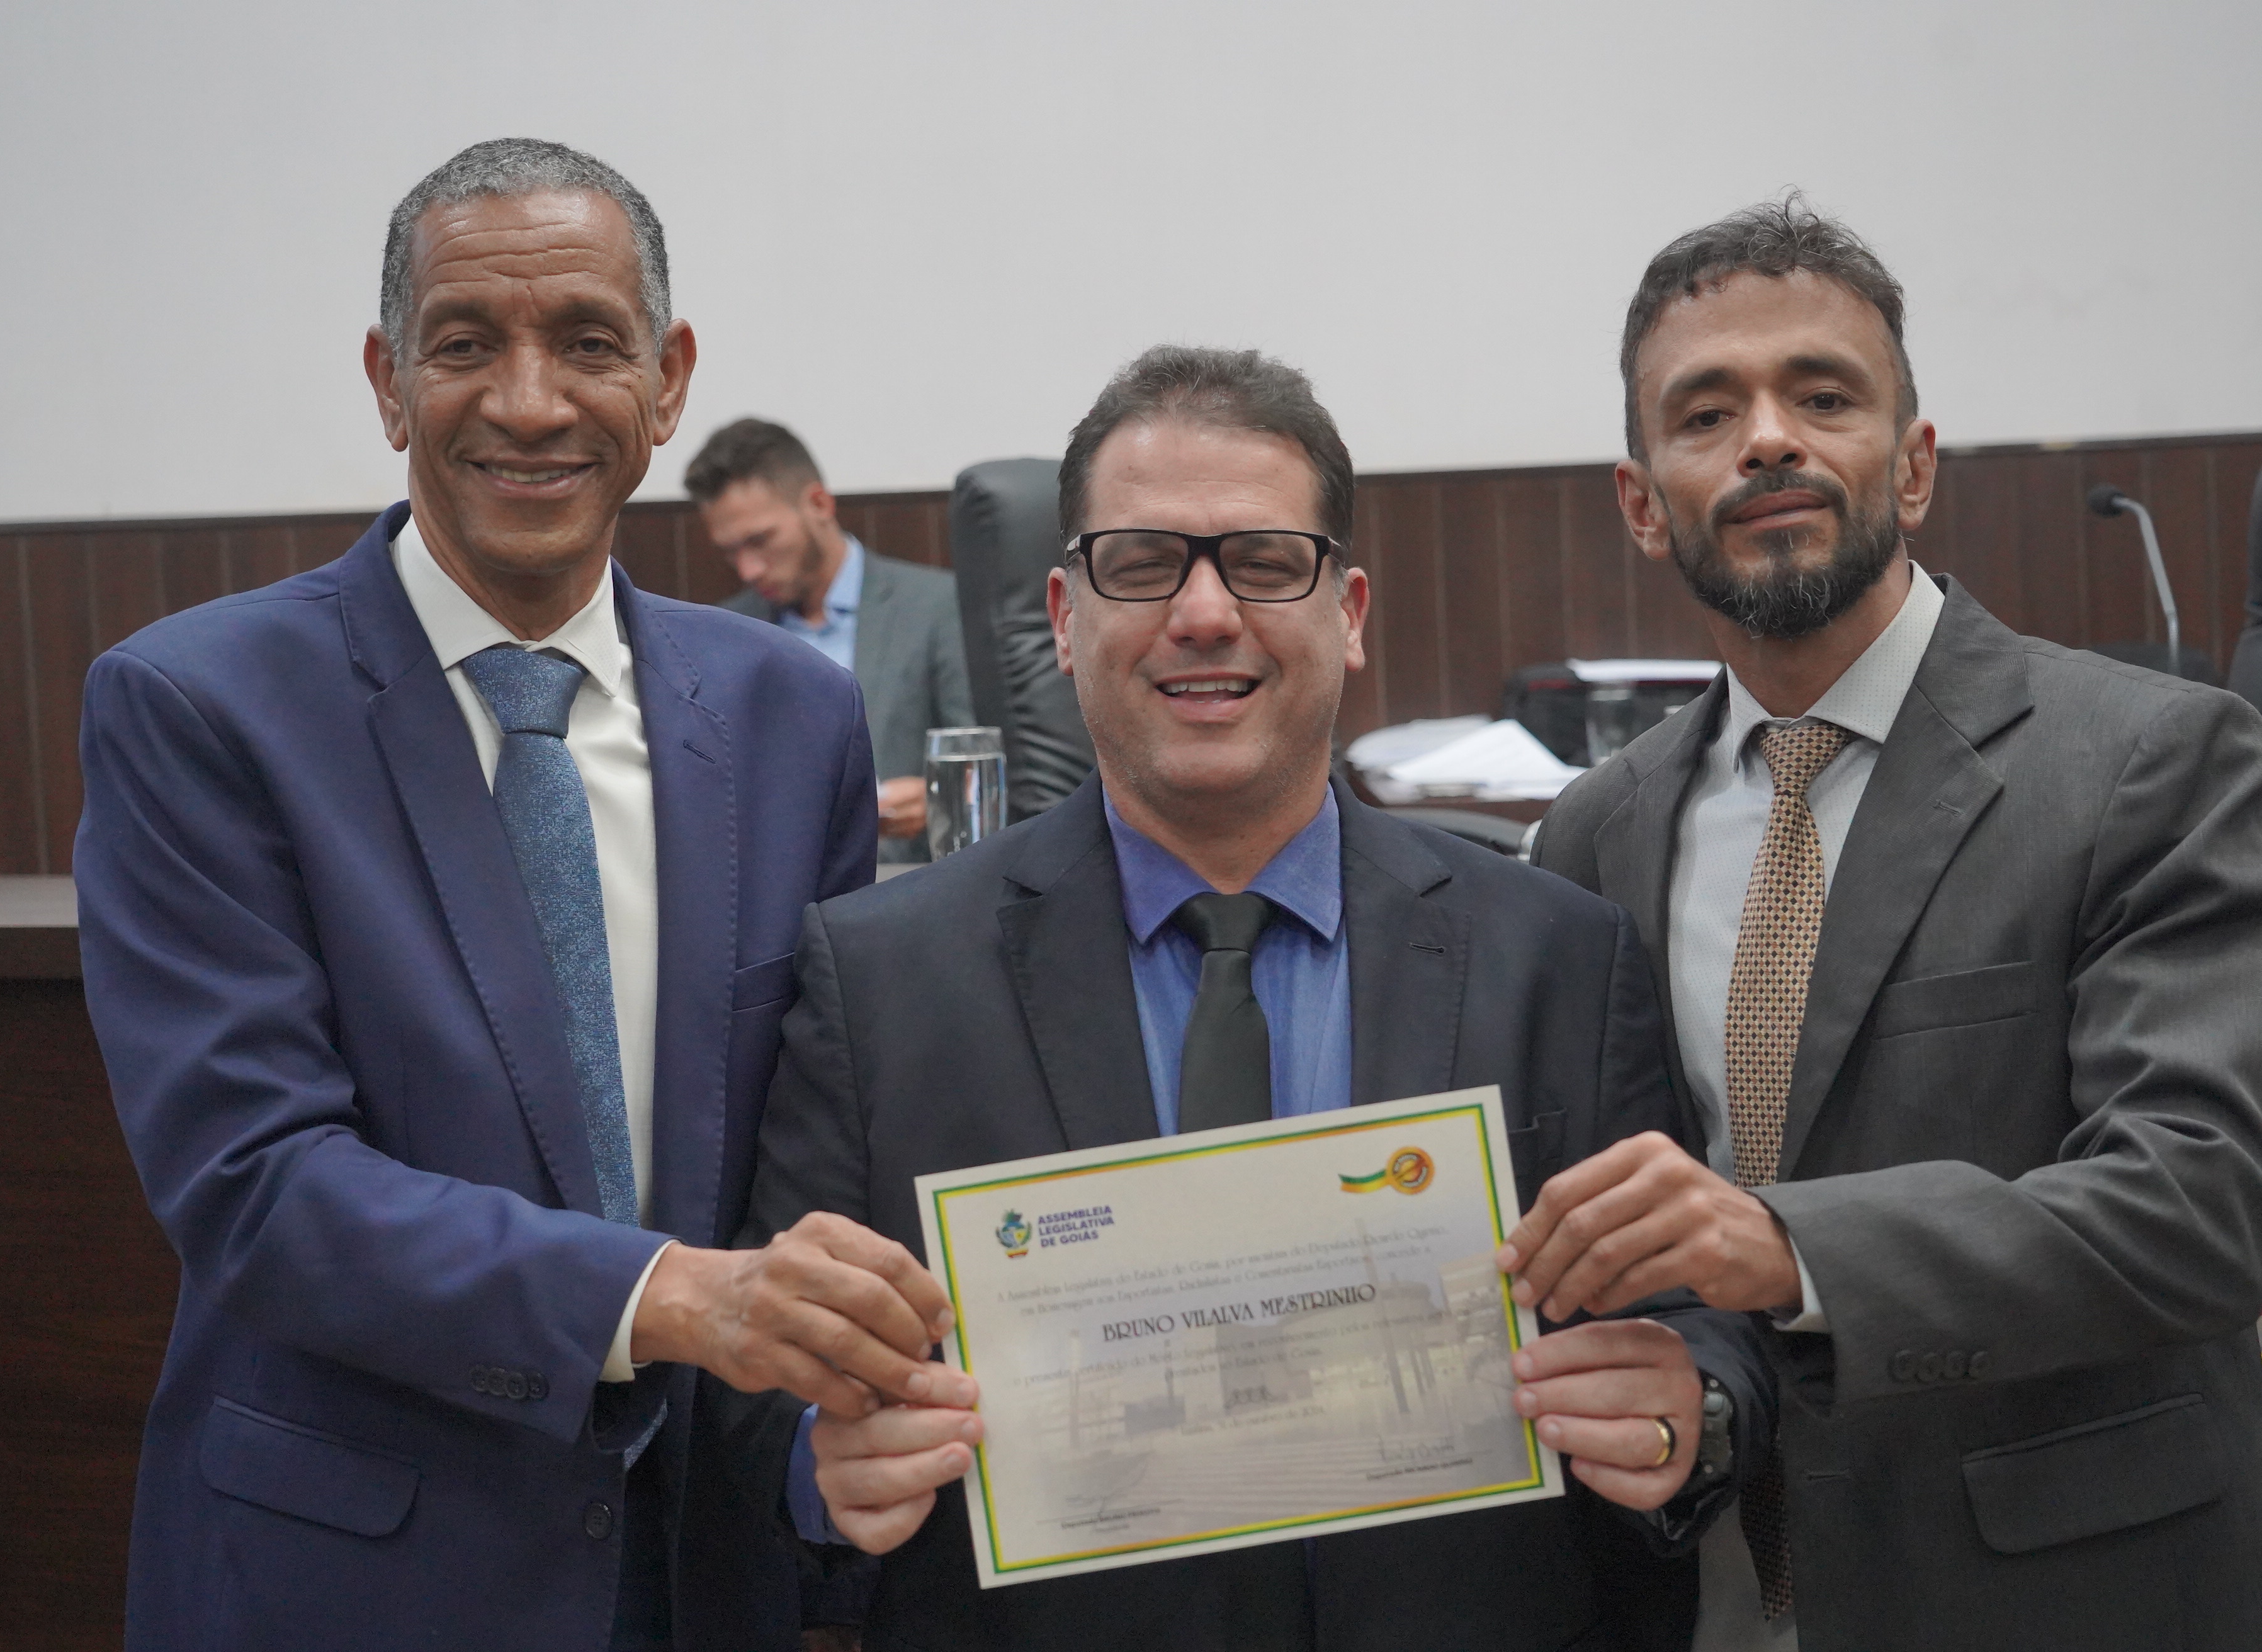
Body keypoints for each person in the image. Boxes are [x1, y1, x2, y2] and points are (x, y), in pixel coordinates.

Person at [723, 345, 1775, 1651]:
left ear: (1350, 611)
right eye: (1142, 563)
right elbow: (759, 1387)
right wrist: (816, 1466)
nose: (1205, 612)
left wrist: (1689, 1411)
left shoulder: (1559, 953)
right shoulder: (878, 975)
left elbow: (1697, 1326)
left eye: (1267, 562)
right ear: (1063, 616)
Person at [74, 139, 972, 1652]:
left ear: (668, 382)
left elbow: (807, 1156)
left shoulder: (789, 714)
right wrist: (671, 1295)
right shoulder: (199, 706)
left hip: (701, 1571)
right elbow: (260, 1184)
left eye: (590, 342)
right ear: (388, 381)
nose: (531, 400)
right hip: (357, 1584)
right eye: (465, 343)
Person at [1501, 196, 2262, 1651]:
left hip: (2078, 1602)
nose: (1769, 439)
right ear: (1641, 502)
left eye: (1823, 396)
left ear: (1915, 462)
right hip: (1729, 1595)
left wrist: (1785, 1242)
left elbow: (2197, 1207)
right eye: (1707, 413)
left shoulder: (2150, 761)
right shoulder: (1592, 832)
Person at [687, 418, 973, 862]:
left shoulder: (935, 607)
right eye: (730, 552)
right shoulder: (724, 630)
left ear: (819, 504)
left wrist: (939, 797)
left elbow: (981, 759)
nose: (749, 570)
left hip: (908, 875)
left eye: (761, 540)